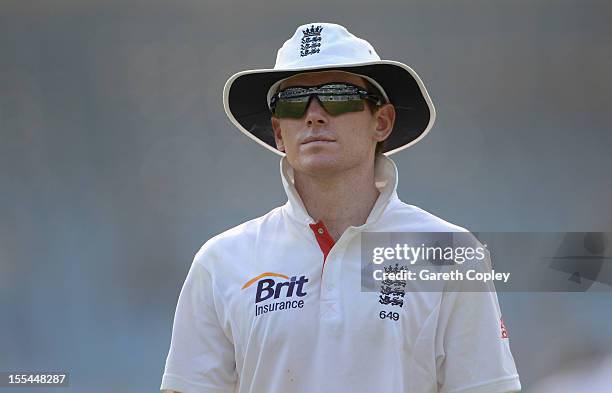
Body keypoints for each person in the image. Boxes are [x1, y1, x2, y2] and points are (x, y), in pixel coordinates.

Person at [160, 22, 521, 393]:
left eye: (337, 95)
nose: (314, 115)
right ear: (279, 132)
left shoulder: (452, 254)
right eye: (293, 101)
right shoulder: (220, 262)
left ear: (382, 122)